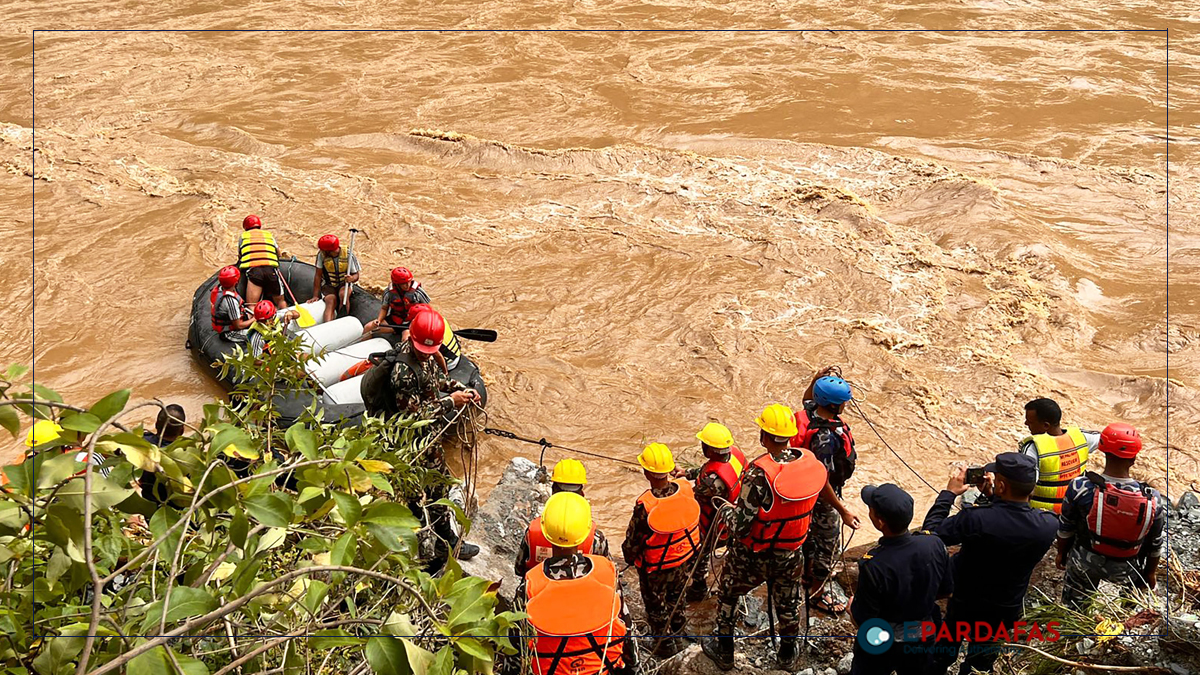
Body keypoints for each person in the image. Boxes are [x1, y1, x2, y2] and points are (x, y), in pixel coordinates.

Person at [702, 404, 861, 671]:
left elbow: (741, 526)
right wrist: (843, 510)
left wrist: (725, 510)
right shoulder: (810, 462)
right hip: (790, 553)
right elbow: (823, 485)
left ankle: (725, 650)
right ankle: (787, 653)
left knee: (729, 594)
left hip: (751, 555)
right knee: (788, 602)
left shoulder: (758, 473)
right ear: (790, 435)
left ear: (764, 436)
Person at [360, 309, 481, 561]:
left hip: (429, 437)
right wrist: (451, 403)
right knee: (422, 490)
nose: (427, 354)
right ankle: (435, 541)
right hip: (412, 441)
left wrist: (462, 389)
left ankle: (438, 539)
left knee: (438, 486)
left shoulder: (424, 356)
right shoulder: (402, 373)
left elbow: (437, 381)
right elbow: (414, 417)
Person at [922, 453, 1058, 675]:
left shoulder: (976, 519)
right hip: (1005, 608)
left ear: (1002, 485)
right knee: (981, 663)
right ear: (1032, 488)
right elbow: (1010, 518)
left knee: (942, 653)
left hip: (965, 602)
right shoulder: (1047, 524)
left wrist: (948, 494)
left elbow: (931, 533)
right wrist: (995, 498)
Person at [518, 492, 636, 675]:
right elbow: (627, 631)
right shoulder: (609, 575)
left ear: (545, 531)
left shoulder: (529, 586)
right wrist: (634, 668)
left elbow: (516, 646)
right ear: (586, 532)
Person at [1056, 423, 1167, 608]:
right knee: (1128, 612)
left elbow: (1066, 528)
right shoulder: (1152, 498)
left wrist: (1062, 553)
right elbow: (1155, 544)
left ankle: (1075, 623)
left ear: (1103, 451)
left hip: (1085, 560)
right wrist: (1149, 573)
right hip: (1127, 566)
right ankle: (1124, 625)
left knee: (1074, 608)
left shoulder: (1080, 487)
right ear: (1134, 458)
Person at [849, 484, 952, 675]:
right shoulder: (934, 544)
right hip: (924, 635)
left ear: (880, 522)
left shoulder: (873, 565)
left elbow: (864, 621)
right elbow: (946, 591)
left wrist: (851, 609)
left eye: (870, 508)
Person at [622, 443, 701, 657]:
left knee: (656, 607)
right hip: (683, 560)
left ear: (647, 472)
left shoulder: (645, 505)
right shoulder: (685, 489)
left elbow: (631, 544)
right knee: (677, 598)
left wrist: (628, 557)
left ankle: (664, 645)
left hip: (655, 569)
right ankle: (680, 632)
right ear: (669, 470)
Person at [793, 366, 858, 612]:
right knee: (828, 543)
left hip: (804, 490)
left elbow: (807, 399)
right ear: (834, 406)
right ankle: (817, 592)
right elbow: (822, 481)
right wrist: (842, 511)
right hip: (822, 496)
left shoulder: (811, 413)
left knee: (809, 536)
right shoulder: (824, 438)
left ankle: (805, 575)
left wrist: (816, 378)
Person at [673, 422, 747, 601]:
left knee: (700, 555)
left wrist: (669, 488)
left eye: (704, 445)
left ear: (710, 450)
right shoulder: (734, 456)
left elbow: (690, 497)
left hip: (714, 527)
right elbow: (709, 470)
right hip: (731, 520)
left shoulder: (712, 483)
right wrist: (687, 473)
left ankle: (699, 587)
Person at [515, 459, 612, 575]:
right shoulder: (596, 538)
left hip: (537, 589)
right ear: (582, 495)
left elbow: (519, 569)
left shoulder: (532, 532)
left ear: (553, 492)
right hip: (582, 590)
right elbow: (608, 572)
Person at [1019, 398, 1100, 514]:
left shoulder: (1032, 448)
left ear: (1046, 425)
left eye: (1030, 422)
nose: (1026, 424)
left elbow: (1023, 487)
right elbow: (1107, 438)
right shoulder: (1081, 437)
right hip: (1075, 513)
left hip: (1043, 516)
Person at [236, 215, 286, 309]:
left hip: (255, 271)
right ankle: (288, 318)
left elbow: (240, 255)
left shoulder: (243, 236)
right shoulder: (268, 234)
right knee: (281, 301)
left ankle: (254, 322)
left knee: (251, 305)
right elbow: (279, 253)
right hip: (270, 270)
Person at [362, 267, 431, 337]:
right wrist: (379, 320)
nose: (407, 285)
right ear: (396, 284)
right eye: (403, 283)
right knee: (368, 327)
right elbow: (384, 308)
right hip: (394, 321)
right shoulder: (388, 293)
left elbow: (428, 310)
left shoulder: (418, 292)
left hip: (410, 324)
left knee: (405, 338)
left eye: (408, 282)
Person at [312, 234, 361, 323]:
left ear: (328, 250)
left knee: (343, 295)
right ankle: (328, 325)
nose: (321, 251)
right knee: (330, 300)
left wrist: (351, 278)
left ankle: (342, 320)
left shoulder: (349, 255)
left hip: (344, 284)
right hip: (329, 284)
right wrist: (315, 295)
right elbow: (318, 275)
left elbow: (356, 275)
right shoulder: (321, 256)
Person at [211, 266, 254, 343]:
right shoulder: (230, 301)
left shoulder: (220, 289)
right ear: (236, 283)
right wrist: (255, 319)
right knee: (260, 334)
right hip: (229, 332)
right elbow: (238, 326)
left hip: (235, 319)